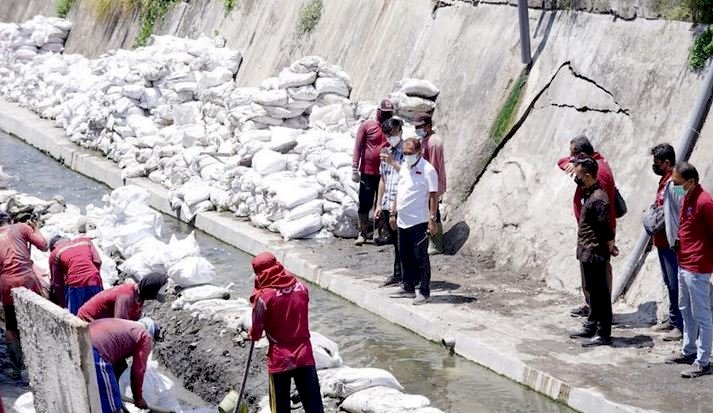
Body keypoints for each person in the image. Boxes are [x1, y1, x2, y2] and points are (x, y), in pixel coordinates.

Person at [248, 252, 323, 413]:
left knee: (280, 407)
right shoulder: (302, 288)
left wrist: (252, 333)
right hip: (304, 354)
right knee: (313, 404)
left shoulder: (264, 298)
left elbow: (256, 332)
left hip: (280, 358)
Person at [557, 136, 617, 318]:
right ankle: (592, 308)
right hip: (589, 233)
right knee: (590, 276)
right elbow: (561, 162)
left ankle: (601, 314)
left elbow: (603, 215)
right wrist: (570, 162)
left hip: (596, 235)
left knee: (599, 276)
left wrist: (608, 240)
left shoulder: (600, 176)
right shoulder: (591, 165)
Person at [664, 162, 713, 378]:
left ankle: (703, 361)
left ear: (691, 182)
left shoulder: (705, 202)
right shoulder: (687, 198)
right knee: (685, 309)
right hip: (683, 263)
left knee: (702, 314)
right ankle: (689, 350)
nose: (673, 186)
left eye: (677, 183)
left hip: (698, 267)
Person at [568, 157, 616, 347]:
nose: (576, 179)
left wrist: (610, 244)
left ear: (587, 176)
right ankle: (591, 324)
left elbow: (606, 228)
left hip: (595, 252)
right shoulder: (589, 194)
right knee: (592, 292)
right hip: (587, 251)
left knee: (601, 293)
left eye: (578, 175)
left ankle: (603, 333)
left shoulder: (599, 199)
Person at [388, 138, 439, 305]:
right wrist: (393, 212)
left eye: (410, 153)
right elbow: (399, 190)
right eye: (404, 153)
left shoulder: (428, 170)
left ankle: (424, 291)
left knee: (421, 257)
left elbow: (433, 196)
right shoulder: (404, 166)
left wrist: (432, 220)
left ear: (419, 153)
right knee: (404, 255)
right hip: (403, 220)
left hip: (419, 221)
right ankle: (408, 286)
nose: (406, 156)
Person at [0, 212, 48, 377]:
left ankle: (16, 369)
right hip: (27, 278)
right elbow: (43, 245)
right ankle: (40, 361)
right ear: (10, 221)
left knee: (11, 326)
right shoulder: (21, 227)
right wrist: (36, 229)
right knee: (35, 320)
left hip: (6, 283)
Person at [648, 144, 683, 341]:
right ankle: (672, 318)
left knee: (676, 283)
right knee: (669, 283)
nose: (655, 166)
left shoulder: (676, 182)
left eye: (657, 163)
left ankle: (680, 325)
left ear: (667, 163)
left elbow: (681, 210)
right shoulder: (665, 180)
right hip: (661, 242)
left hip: (672, 243)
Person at [90, 317, 161, 412]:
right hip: (97, 350)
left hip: (85, 338)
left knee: (95, 392)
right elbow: (138, 371)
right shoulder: (146, 336)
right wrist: (138, 398)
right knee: (112, 405)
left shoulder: (130, 328)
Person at [352, 99, 394, 246]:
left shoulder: (391, 127)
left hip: (386, 172)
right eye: (385, 113)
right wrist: (354, 168)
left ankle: (381, 233)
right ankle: (362, 233)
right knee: (365, 202)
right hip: (368, 172)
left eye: (390, 113)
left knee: (382, 203)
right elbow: (358, 147)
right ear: (379, 112)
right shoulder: (367, 126)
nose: (387, 116)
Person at [375, 117, 405, 287]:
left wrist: (393, 163)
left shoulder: (407, 150)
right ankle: (397, 274)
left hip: (401, 203)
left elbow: (406, 175)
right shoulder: (385, 151)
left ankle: (408, 277)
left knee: (404, 242)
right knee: (395, 241)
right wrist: (379, 203)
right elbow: (383, 180)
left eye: (392, 134)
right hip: (388, 202)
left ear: (400, 131)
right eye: (387, 135)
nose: (390, 137)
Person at [413, 113, 446, 255]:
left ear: (428, 126)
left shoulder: (433, 142)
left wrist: (429, 185)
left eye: (419, 127)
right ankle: (430, 240)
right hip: (426, 182)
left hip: (432, 183)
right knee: (428, 211)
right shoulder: (426, 139)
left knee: (434, 211)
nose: (417, 129)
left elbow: (433, 167)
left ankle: (437, 244)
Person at [48, 235, 104, 315]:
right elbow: (98, 261)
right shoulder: (85, 240)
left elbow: (57, 284)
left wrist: (63, 305)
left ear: (53, 247)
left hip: (76, 285)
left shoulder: (54, 253)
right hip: (94, 279)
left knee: (78, 319)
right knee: (99, 315)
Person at [77, 273, 168, 322]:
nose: (153, 299)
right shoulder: (126, 296)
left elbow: (133, 320)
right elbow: (120, 325)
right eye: (154, 296)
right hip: (86, 322)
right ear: (149, 290)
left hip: (102, 322)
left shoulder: (140, 296)